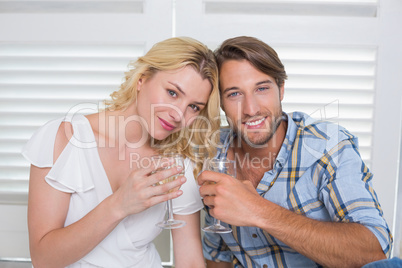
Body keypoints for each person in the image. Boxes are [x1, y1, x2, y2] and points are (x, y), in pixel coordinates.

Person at [22, 37, 221, 267]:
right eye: (172, 93)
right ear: (142, 78)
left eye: (194, 107)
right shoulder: (63, 139)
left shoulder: (177, 163)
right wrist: (119, 204)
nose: (178, 114)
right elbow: (43, 259)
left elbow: (190, 261)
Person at [198, 36, 393, 268]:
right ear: (220, 102)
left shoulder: (328, 147)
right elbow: (217, 254)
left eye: (261, 88)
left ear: (281, 89)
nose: (251, 109)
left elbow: (374, 252)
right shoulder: (212, 153)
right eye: (234, 94)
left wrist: (259, 210)